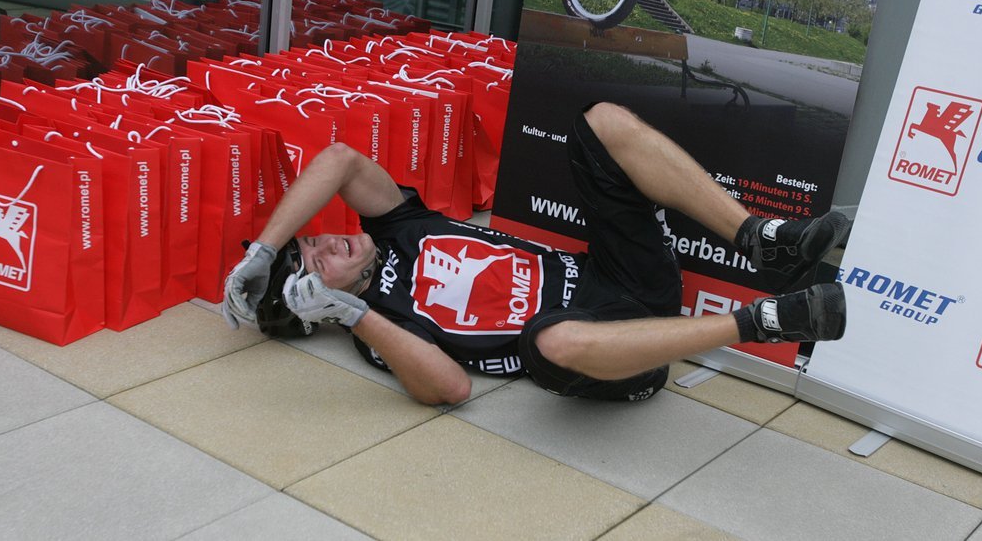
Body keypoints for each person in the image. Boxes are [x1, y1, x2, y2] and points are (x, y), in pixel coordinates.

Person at [222, 102, 849, 406]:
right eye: (317, 263)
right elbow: (450, 388)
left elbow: (339, 160)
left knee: (601, 121)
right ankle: (765, 322)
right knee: (548, 340)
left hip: (619, 272)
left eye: (311, 237)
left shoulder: (396, 227)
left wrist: (268, 249)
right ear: (322, 305)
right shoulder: (380, 329)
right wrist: (354, 314)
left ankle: (760, 239)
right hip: (611, 352)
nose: (327, 240)